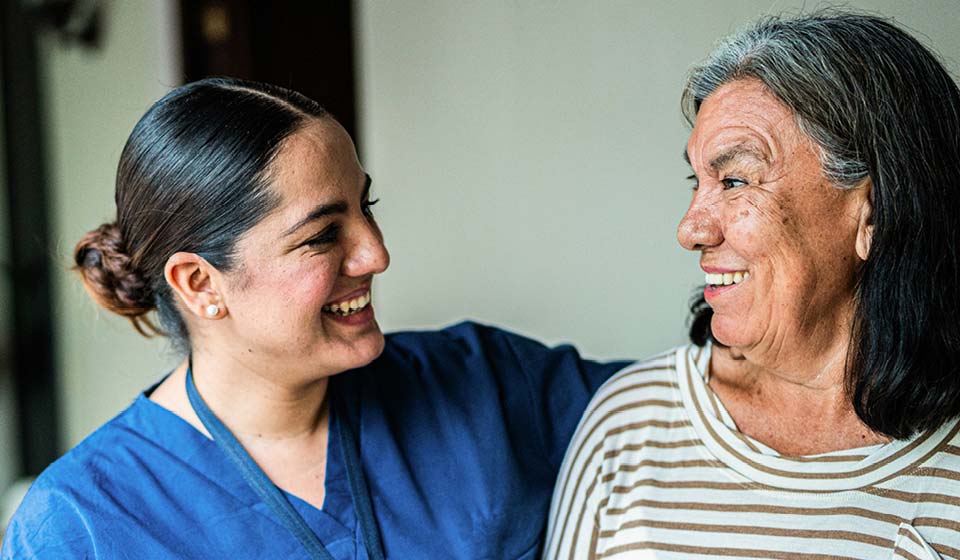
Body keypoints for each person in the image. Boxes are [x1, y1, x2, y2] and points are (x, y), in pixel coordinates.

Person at [0, 77, 629, 559]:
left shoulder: (489, 385)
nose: (376, 253)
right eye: (323, 235)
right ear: (200, 284)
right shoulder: (82, 523)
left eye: (366, 206)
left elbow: (702, 403)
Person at [544, 12, 960, 559]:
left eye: (735, 180)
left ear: (874, 212)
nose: (690, 229)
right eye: (699, 180)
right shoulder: (631, 421)